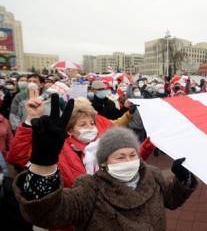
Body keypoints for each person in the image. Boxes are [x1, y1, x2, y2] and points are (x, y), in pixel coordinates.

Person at [13, 118, 196, 230]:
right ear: (104, 162)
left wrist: (183, 179)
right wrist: (43, 164)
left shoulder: (153, 175)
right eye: (120, 157)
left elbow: (172, 199)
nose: (128, 161)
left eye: (132, 155)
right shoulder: (89, 188)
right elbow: (48, 213)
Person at [7, 92, 148, 188]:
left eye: (92, 123)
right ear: (70, 129)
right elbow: (17, 157)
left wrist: (148, 145)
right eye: (82, 124)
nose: (90, 127)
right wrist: (30, 120)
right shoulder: (59, 149)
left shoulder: (104, 146)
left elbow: (129, 159)